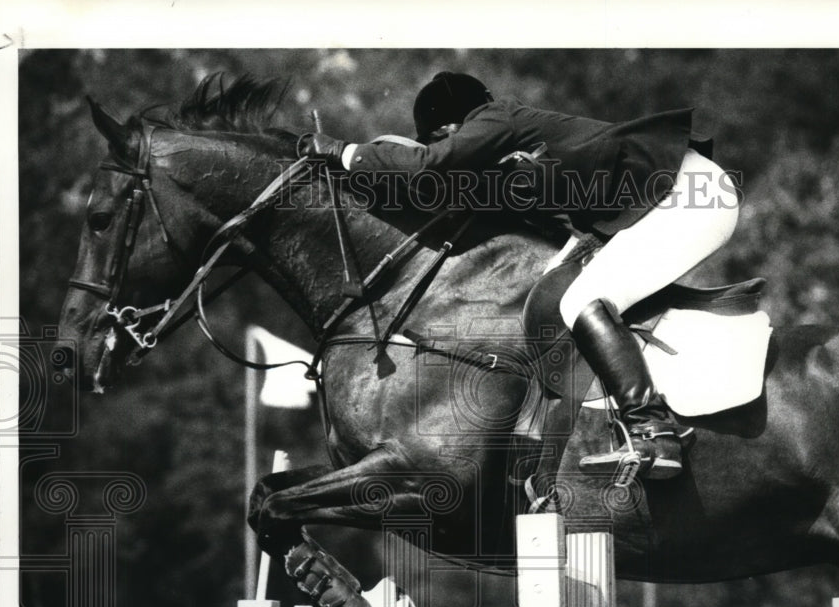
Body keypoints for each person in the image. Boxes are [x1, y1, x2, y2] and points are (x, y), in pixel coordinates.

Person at [303, 71, 740, 483]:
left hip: (689, 192)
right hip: (654, 202)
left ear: (456, 125)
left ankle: (652, 430)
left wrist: (345, 153)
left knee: (580, 301)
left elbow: (431, 166)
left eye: (438, 138)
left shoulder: (498, 119)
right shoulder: (508, 154)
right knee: (556, 290)